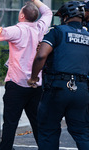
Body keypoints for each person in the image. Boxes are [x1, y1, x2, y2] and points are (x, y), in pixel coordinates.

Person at [0, 0, 52, 149]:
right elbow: (48, 12)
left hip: (16, 85)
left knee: (10, 123)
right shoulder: (41, 27)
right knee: (37, 123)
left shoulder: (17, 30)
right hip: (36, 85)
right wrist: (36, 1)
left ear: (22, 15)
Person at [27, 1, 89, 150]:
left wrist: (33, 78)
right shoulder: (88, 36)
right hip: (81, 90)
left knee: (48, 131)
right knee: (82, 133)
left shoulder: (56, 31)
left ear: (66, 16)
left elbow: (41, 56)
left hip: (57, 88)